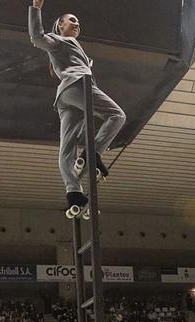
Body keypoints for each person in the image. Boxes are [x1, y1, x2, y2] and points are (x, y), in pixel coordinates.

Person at [28, 0, 126, 217]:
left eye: (78, 22)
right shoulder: (59, 41)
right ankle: (94, 154)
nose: (76, 23)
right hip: (78, 85)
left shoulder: (66, 47)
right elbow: (37, 38)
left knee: (67, 147)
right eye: (71, 20)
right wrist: (36, 8)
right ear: (59, 26)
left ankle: (73, 192)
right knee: (117, 115)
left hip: (65, 97)